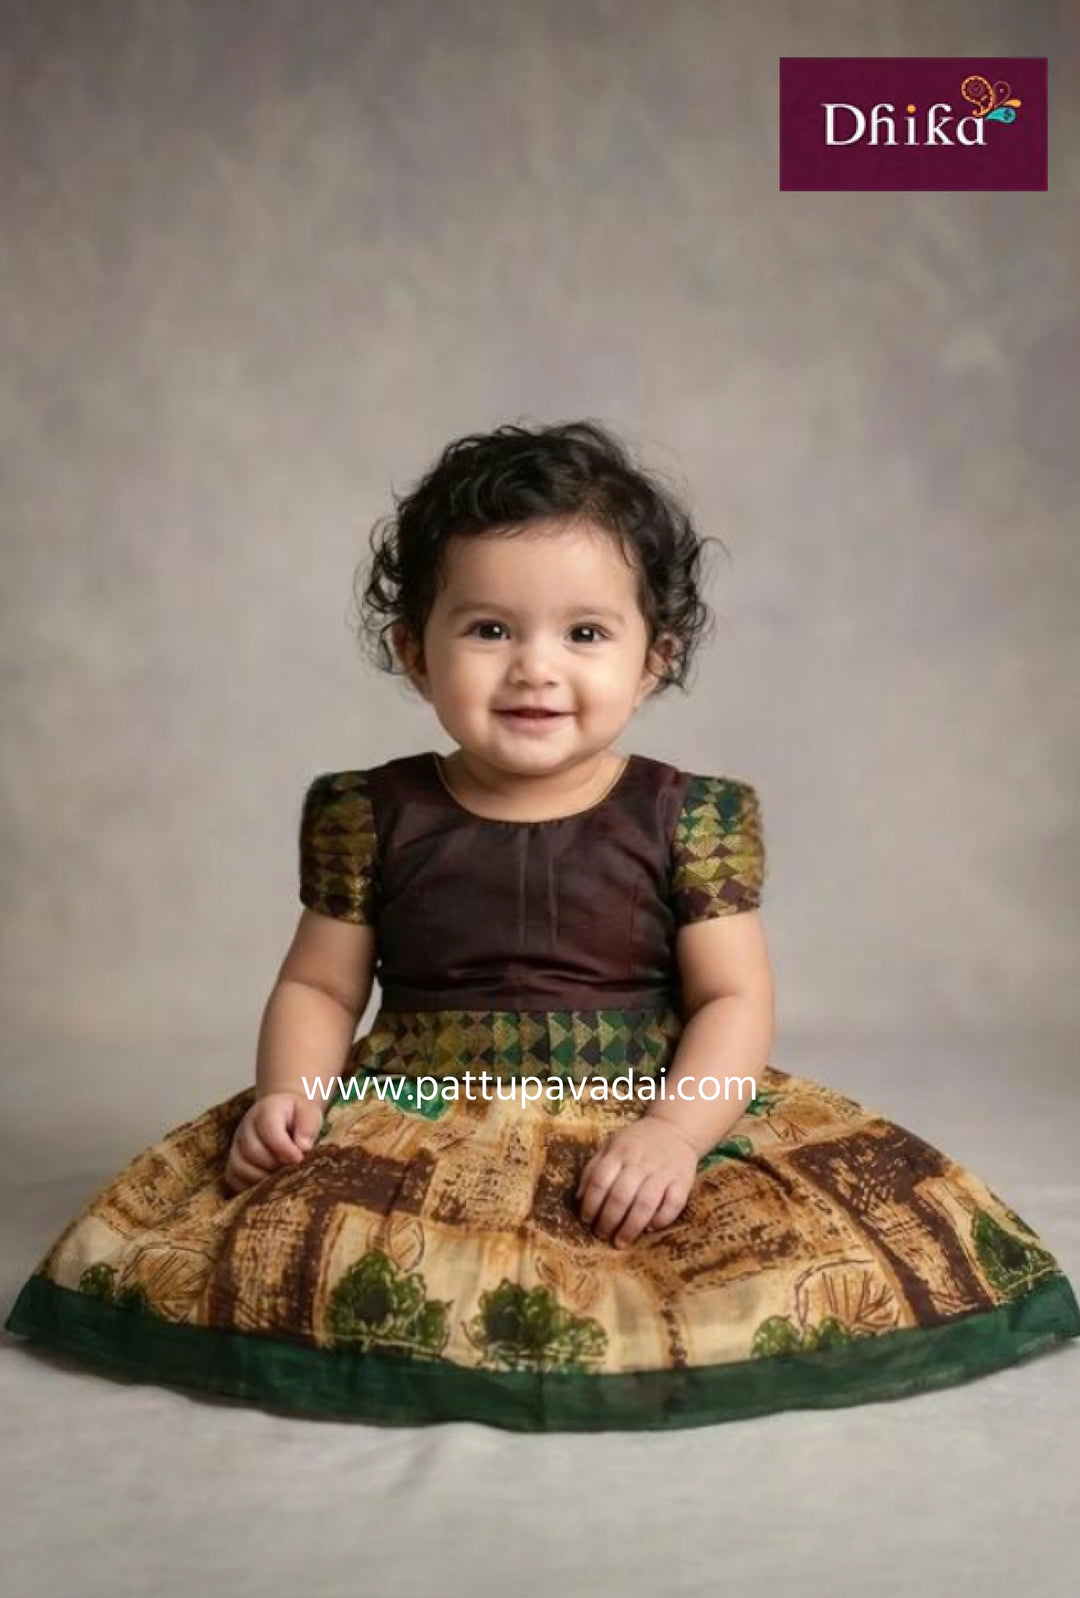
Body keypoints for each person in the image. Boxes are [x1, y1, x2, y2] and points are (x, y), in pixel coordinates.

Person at [6, 420, 1078, 1430]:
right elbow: (321, 987)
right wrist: (291, 1094)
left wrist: (676, 1133)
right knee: (296, 1251)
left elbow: (732, 998)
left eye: (585, 632)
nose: (534, 666)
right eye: (488, 629)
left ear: (653, 659)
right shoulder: (370, 813)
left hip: (639, 1106)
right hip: (418, 1106)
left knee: (758, 1261)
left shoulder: (686, 817)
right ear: (414, 652)